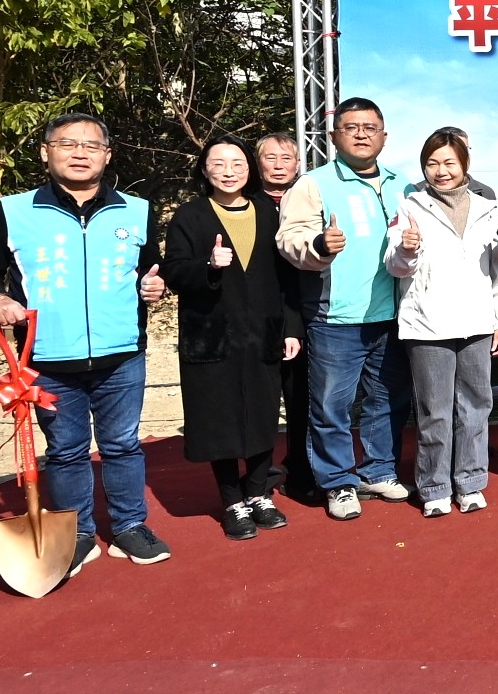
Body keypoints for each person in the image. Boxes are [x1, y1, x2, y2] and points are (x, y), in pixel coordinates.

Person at [0, 112, 170, 572]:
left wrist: (154, 285)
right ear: (46, 152)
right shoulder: (13, 211)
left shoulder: (136, 210)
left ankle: (130, 526)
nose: (80, 153)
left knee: (123, 445)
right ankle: (78, 532)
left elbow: (152, 268)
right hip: (47, 358)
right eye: (67, 144)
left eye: (91, 145)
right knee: (66, 450)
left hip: (122, 354)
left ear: (107, 155)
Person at [277, 97, 414, 521]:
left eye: (370, 127)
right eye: (351, 127)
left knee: (387, 401)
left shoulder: (403, 183)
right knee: (331, 409)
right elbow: (289, 239)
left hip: (393, 316)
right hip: (336, 317)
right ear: (335, 136)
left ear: (384, 136)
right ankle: (338, 482)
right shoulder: (313, 184)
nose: (361, 134)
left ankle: (379, 470)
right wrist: (319, 245)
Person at [160, 137, 301, 540]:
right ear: (204, 170)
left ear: (249, 169)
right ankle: (232, 501)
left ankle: (258, 493)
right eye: (218, 163)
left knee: (261, 414)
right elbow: (174, 272)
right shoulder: (190, 215)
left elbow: (287, 277)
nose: (228, 171)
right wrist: (207, 265)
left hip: (264, 331)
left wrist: (292, 327)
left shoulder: (267, 211)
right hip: (211, 335)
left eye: (237, 163)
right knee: (217, 420)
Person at [387, 129, 498, 516]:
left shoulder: (488, 207)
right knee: (434, 410)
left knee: (476, 406)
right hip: (427, 325)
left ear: (465, 164)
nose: (441, 171)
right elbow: (395, 266)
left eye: (449, 163)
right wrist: (407, 249)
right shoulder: (409, 205)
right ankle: (435, 487)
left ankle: (471, 481)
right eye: (432, 163)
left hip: (477, 323)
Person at [255, 132, 316, 502]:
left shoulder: (310, 200)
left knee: (302, 404)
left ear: (297, 164)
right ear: (258, 162)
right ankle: (259, 480)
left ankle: (302, 473)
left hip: (306, 315)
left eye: (286, 158)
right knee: (260, 406)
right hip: (259, 320)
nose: (279, 166)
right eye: (270, 157)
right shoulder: (246, 203)